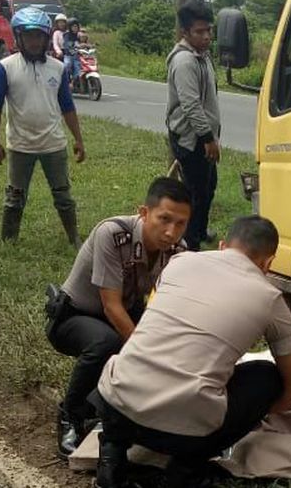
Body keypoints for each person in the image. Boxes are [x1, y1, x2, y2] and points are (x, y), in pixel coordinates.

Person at [90, 215, 291, 488]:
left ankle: (111, 456)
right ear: (268, 263)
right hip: (182, 434)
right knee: (267, 376)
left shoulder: (179, 262)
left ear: (221, 246)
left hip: (114, 404)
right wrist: (252, 418)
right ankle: (184, 471)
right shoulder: (270, 299)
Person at [46, 177, 192, 459]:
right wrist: (146, 351)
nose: (171, 232)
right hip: (74, 317)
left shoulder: (178, 250)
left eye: (181, 223)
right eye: (164, 219)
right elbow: (111, 306)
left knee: (166, 341)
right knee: (109, 343)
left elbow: (167, 306)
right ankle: (70, 415)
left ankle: (113, 412)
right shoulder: (112, 234)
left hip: (123, 313)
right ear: (144, 212)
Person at [0, 7, 86, 246]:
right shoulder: (6, 67)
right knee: (15, 197)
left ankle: (74, 239)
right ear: (18, 37)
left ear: (45, 38)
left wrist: (79, 140)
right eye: (28, 36)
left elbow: (67, 107)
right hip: (20, 145)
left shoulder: (58, 68)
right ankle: (8, 241)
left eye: (39, 36)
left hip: (53, 143)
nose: (34, 41)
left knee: (63, 195)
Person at [166, 1, 221, 252]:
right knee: (195, 194)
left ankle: (198, 230)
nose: (207, 36)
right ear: (186, 33)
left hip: (204, 136)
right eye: (200, 32)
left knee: (208, 186)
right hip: (192, 138)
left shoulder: (203, 56)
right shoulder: (185, 61)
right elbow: (190, 105)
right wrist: (208, 137)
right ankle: (189, 244)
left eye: (209, 30)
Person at [63, 17, 81, 83]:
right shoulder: (67, 35)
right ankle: (66, 80)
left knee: (78, 68)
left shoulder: (78, 35)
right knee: (67, 65)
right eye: (73, 26)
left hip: (76, 56)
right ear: (70, 27)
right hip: (68, 55)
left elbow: (83, 42)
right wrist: (70, 48)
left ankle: (75, 81)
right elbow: (66, 44)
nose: (75, 28)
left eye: (76, 26)